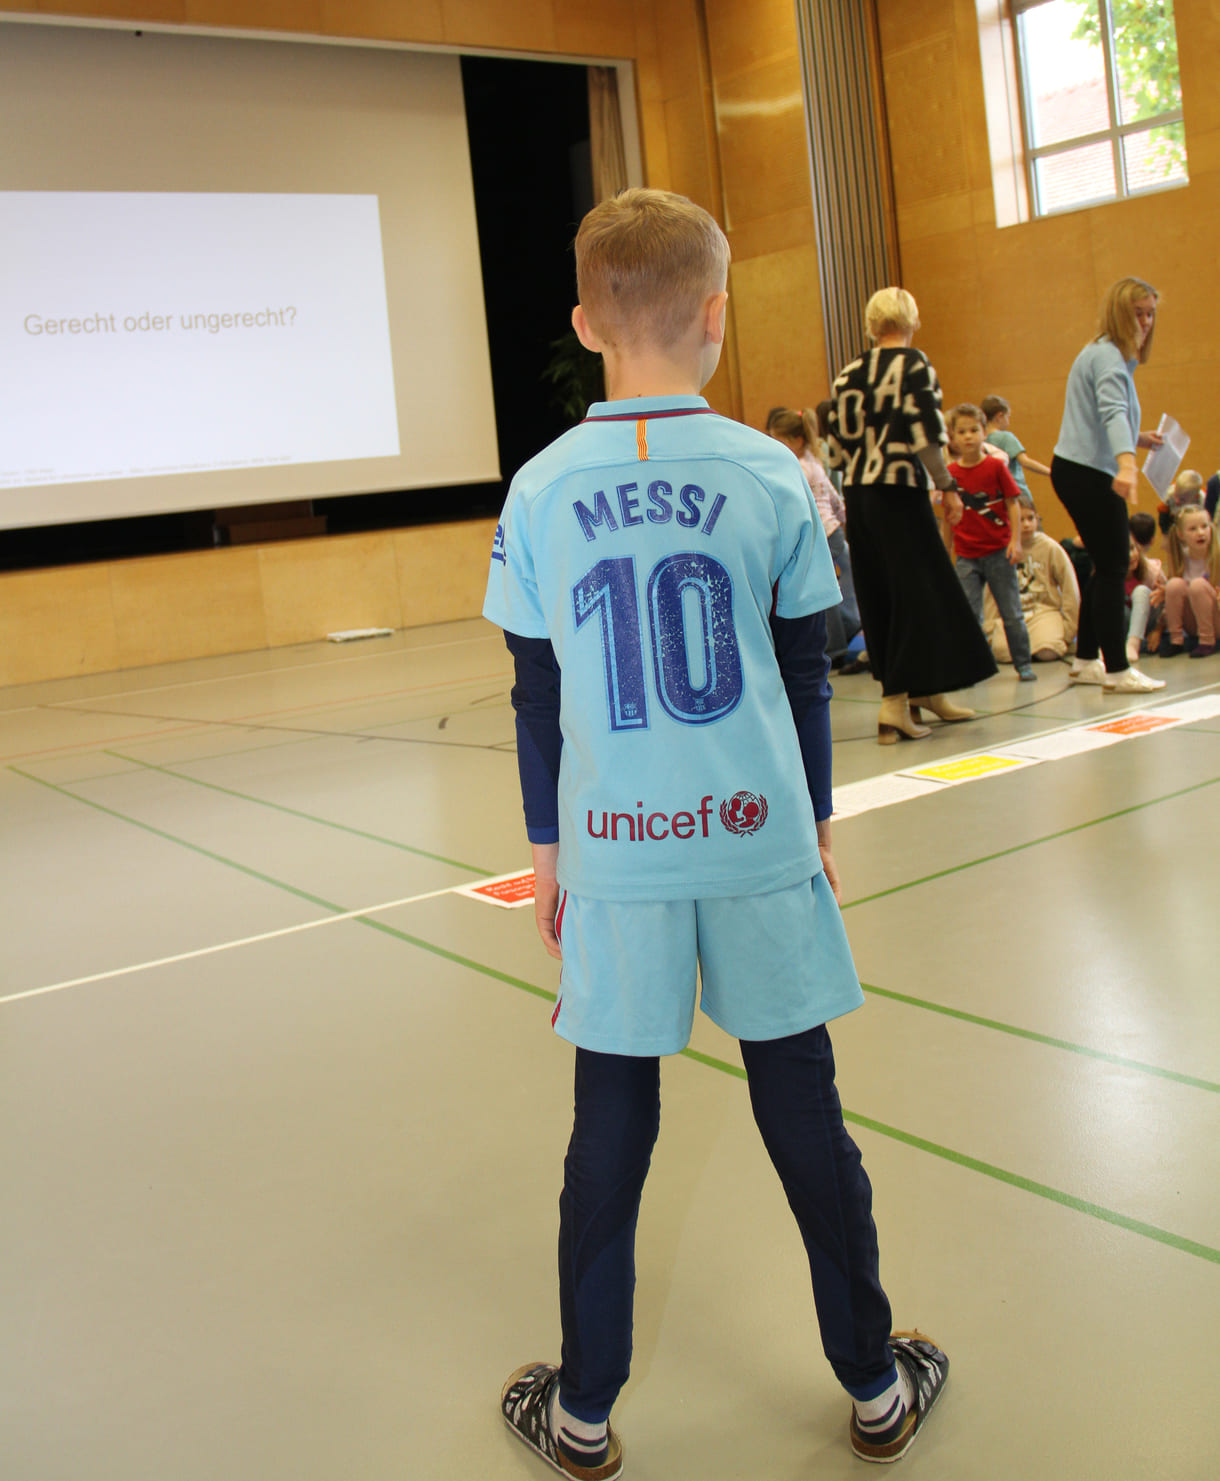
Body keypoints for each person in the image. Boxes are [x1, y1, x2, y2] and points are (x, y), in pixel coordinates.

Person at [484, 188, 949, 1481]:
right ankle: (873, 1384)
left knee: (611, 1124)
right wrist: (814, 821)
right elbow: (809, 675)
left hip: (618, 854)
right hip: (755, 839)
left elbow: (537, 692)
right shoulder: (769, 474)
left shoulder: (537, 491)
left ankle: (582, 1414)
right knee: (804, 1106)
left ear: (585, 323)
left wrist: (549, 851)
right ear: (716, 315)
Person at [825, 287, 996, 742]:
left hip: (859, 496)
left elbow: (836, 449)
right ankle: (895, 704)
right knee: (918, 593)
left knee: (880, 594)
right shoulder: (915, 365)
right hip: (899, 492)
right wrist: (947, 485)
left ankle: (924, 692)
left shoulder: (847, 375)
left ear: (870, 324)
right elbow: (925, 433)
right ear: (911, 321)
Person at [1050, 276, 1166, 693]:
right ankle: (1117, 669)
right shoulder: (1109, 360)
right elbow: (1113, 410)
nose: (1147, 322)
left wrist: (1138, 438)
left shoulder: (1103, 354)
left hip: (1078, 468)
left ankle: (1085, 661)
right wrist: (1127, 463)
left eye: (1151, 313)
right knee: (1116, 564)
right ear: (1119, 313)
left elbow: (1103, 415)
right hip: (1090, 472)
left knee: (1104, 565)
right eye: (1139, 313)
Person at [944, 402, 1036, 680]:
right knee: (970, 615)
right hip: (966, 555)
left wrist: (1015, 542)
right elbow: (949, 517)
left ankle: (1023, 664)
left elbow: (1012, 505)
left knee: (1011, 613)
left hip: (998, 551)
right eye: (962, 431)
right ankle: (973, 666)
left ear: (985, 432)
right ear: (953, 437)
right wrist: (945, 553)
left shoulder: (996, 466)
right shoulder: (950, 474)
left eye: (974, 430)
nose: (969, 436)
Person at [767, 406, 862, 667]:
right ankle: (849, 628)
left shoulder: (795, 465)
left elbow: (799, 504)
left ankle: (836, 646)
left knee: (820, 589)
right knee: (829, 584)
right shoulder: (814, 461)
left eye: (778, 440)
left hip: (820, 533)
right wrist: (843, 520)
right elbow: (832, 496)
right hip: (832, 530)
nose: (775, 446)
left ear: (795, 440)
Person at [984, 501, 1080, 663]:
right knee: (1002, 653)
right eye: (1020, 520)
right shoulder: (1001, 550)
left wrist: (1069, 629)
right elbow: (991, 592)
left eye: (1031, 518)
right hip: (1012, 616)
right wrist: (990, 629)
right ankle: (1027, 649)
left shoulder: (1050, 548)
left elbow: (1070, 588)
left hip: (1043, 612)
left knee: (1047, 652)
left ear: (1037, 519)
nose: (1027, 524)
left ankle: (1034, 647)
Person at [1161, 503, 1220, 658]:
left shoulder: (1217, 556)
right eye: (1193, 529)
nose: (1200, 533)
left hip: (1217, 620)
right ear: (1181, 534)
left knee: (1198, 585)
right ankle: (1176, 641)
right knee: (1174, 585)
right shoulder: (1181, 559)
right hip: (1194, 624)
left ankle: (1207, 642)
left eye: (1204, 527)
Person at [981, 395, 1051, 503]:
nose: (1008, 421)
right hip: (1016, 492)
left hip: (996, 495)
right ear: (999, 416)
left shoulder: (982, 441)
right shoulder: (1006, 437)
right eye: (1007, 417)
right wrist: (1050, 472)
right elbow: (1025, 462)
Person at [1124, 532, 1166, 666]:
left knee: (1141, 591)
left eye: (1132, 549)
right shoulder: (1104, 578)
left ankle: (1133, 644)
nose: (1131, 556)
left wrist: (1158, 629)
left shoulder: (1151, 571)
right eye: (1123, 552)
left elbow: (1168, 604)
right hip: (1124, 624)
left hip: (1151, 620)